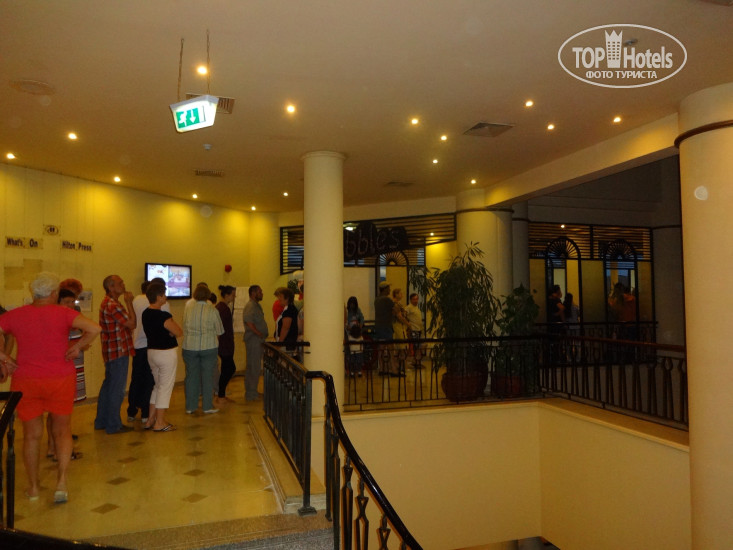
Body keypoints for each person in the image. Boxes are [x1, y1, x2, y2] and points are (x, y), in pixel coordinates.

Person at [0, 272, 101, 503]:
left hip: (26, 381)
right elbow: (95, 329)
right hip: (60, 379)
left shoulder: (16, 315)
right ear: (54, 293)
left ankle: (34, 488)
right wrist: (77, 347)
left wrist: (4, 357)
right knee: (62, 431)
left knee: (31, 436)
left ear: (33, 293)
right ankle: (61, 484)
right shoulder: (64, 313)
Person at [46, 288, 85, 462]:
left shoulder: (72, 317)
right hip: (63, 368)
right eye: (66, 302)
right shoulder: (58, 319)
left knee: (58, 411)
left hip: (73, 366)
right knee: (60, 412)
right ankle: (58, 449)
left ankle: (53, 446)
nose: (70, 305)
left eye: (72, 302)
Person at [95, 274, 136, 435]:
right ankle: (113, 425)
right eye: (120, 283)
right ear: (111, 287)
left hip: (111, 351)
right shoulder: (114, 305)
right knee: (116, 390)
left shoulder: (108, 302)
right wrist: (129, 303)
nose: (123, 285)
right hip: (118, 352)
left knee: (108, 387)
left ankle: (101, 421)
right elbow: (132, 324)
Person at [127, 278, 169, 424]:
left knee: (136, 379)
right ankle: (146, 413)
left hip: (137, 344)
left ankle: (131, 411)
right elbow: (167, 325)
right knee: (150, 381)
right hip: (154, 345)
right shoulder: (163, 304)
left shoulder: (136, 300)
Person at [141, 283, 182, 431]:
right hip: (166, 353)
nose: (166, 297)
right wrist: (170, 333)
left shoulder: (145, 313)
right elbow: (178, 331)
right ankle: (160, 422)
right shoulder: (163, 316)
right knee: (165, 387)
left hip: (152, 352)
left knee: (157, 386)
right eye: (164, 294)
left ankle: (150, 420)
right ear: (159, 297)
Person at [182, 284, 224, 414]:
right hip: (208, 347)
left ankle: (190, 407)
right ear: (208, 296)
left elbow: (185, 327)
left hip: (190, 347)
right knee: (207, 377)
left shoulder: (188, 308)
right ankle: (207, 406)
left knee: (191, 377)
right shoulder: (213, 310)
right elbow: (219, 331)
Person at [243, 285, 268, 402]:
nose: (262, 293)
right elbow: (249, 322)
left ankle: (253, 391)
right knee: (253, 367)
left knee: (255, 367)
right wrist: (259, 333)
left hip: (258, 340)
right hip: (254, 340)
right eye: (260, 292)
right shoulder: (250, 306)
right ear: (253, 293)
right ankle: (251, 393)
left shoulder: (256, 305)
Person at [215, 285, 237, 402]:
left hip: (225, 344)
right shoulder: (223, 309)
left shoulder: (221, 307)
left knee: (226, 368)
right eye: (233, 295)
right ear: (227, 295)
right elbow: (219, 328)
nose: (234, 297)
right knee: (230, 368)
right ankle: (220, 394)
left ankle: (221, 394)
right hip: (224, 345)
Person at [275, 287, 299, 358]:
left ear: (287, 298)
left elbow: (285, 328)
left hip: (286, 345)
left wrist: (279, 344)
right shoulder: (287, 309)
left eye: (280, 296)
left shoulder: (289, 310)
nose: (278, 298)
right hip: (286, 344)